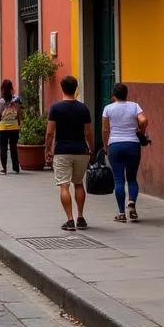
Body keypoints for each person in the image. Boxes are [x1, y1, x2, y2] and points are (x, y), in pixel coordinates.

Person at [45, 75, 93, 231]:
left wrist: (47, 149)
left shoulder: (56, 108)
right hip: (81, 150)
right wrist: (90, 148)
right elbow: (88, 132)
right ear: (76, 89)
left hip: (62, 151)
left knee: (64, 185)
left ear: (61, 88)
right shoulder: (83, 108)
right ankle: (81, 217)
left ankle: (70, 220)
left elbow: (50, 132)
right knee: (78, 183)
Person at [102, 82, 149, 223]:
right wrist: (141, 131)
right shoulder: (134, 106)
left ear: (113, 95)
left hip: (115, 145)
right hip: (132, 144)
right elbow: (144, 120)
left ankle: (121, 213)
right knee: (132, 178)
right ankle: (132, 203)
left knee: (118, 179)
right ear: (126, 94)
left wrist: (106, 146)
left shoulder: (108, 108)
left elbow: (105, 130)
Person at [0, 79, 22, 175]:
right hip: (14, 126)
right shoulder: (16, 99)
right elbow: (19, 112)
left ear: (2, 89)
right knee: (14, 148)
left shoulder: (1, 101)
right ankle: (16, 168)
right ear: (11, 88)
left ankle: (4, 168)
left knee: (3, 148)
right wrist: (19, 122)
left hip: (3, 128)